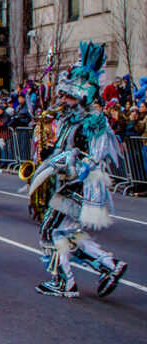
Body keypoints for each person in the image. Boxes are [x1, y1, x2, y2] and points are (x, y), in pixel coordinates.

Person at [27, 42, 128, 298]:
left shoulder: (94, 122)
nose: (65, 101)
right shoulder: (77, 118)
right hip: (72, 185)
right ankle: (109, 265)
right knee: (67, 232)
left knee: (51, 229)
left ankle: (64, 282)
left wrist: (69, 163)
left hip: (82, 186)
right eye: (65, 96)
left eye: (69, 96)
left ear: (83, 95)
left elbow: (93, 158)